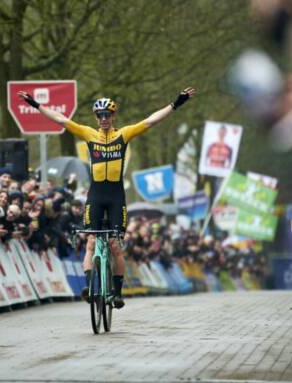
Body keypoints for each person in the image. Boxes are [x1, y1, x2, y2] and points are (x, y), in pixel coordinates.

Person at [18, 86, 196, 308]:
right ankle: (89, 286)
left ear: (113, 116)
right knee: (91, 241)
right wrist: (35, 104)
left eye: (107, 114)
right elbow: (60, 119)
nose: (103, 118)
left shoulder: (124, 134)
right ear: (96, 117)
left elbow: (151, 121)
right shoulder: (88, 134)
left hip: (115, 195)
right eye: (100, 115)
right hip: (95, 194)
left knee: (115, 246)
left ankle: (117, 293)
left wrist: (175, 103)